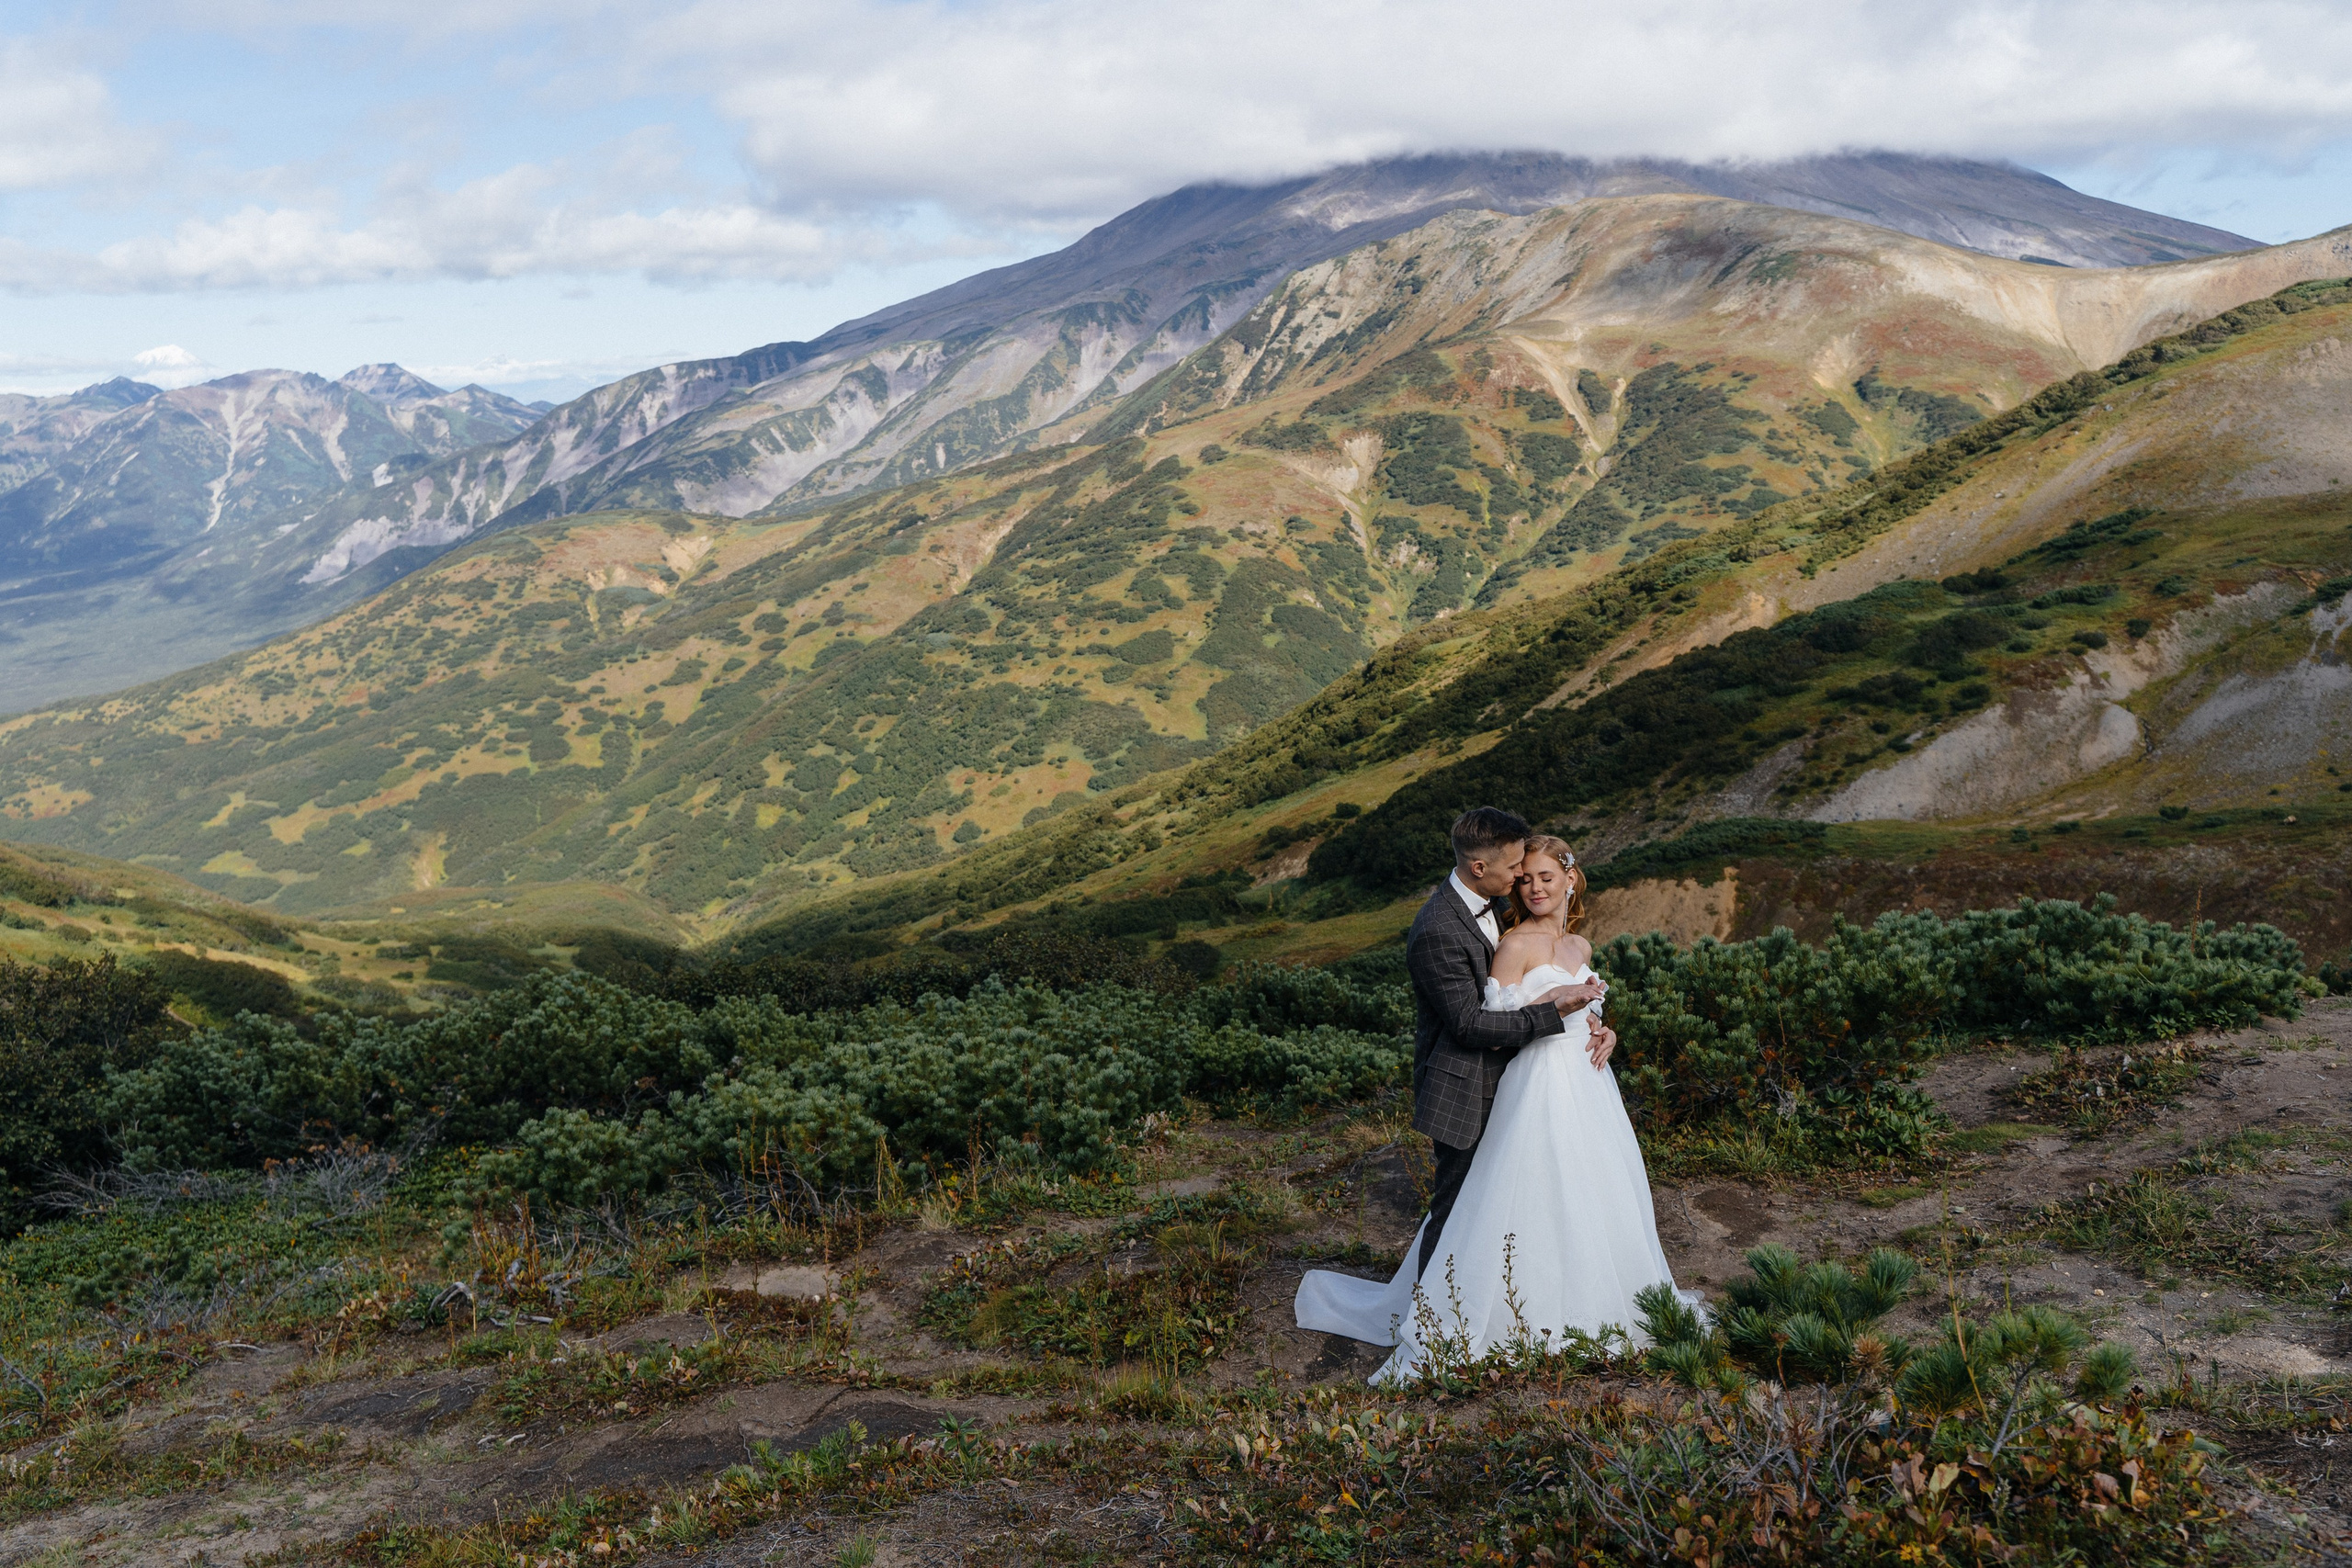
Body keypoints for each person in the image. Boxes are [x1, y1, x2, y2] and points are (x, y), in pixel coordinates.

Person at [1294, 824, 1701, 1384]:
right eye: (1524, 878)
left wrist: (1605, 1030)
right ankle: (1458, 1316)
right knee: (1505, 1199)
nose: (1532, 887)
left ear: (1571, 880)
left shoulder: (1579, 946)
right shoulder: (1509, 944)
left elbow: (1583, 1010)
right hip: (1533, 1082)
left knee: (1589, 1192)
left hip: (1586, 1085)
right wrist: (1555, 1006)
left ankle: (1590, 1303)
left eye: (1545, 877)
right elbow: (1484, 1023)